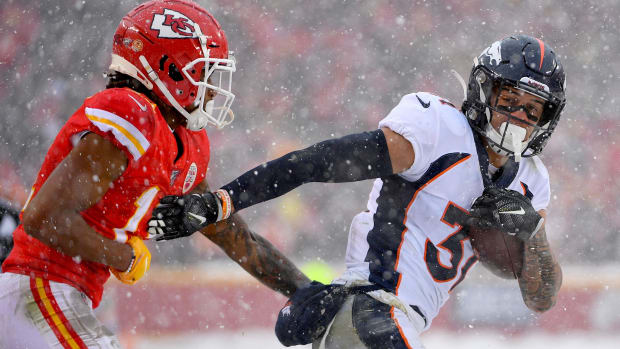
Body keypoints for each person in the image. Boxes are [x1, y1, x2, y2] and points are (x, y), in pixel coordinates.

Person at [150, 35, 565, 348]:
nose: (518, 117)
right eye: (509, 99)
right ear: (483, 90)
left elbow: (541, 297)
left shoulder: (531, 180)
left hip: (395, 325)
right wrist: (224, 199)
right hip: (371, 311)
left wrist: (532, 232)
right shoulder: (438, 129)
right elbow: (320, 161)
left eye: (532, 110)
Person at [0, 1, 309, 348]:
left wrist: (310, 293)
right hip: (38, 287)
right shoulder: (131, 112)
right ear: (169, 69)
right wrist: (124, 256)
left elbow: (238, 240)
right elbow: (44, 219)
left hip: (62, 295)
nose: (210, 89)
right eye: (204, 73)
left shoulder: (179, 138)